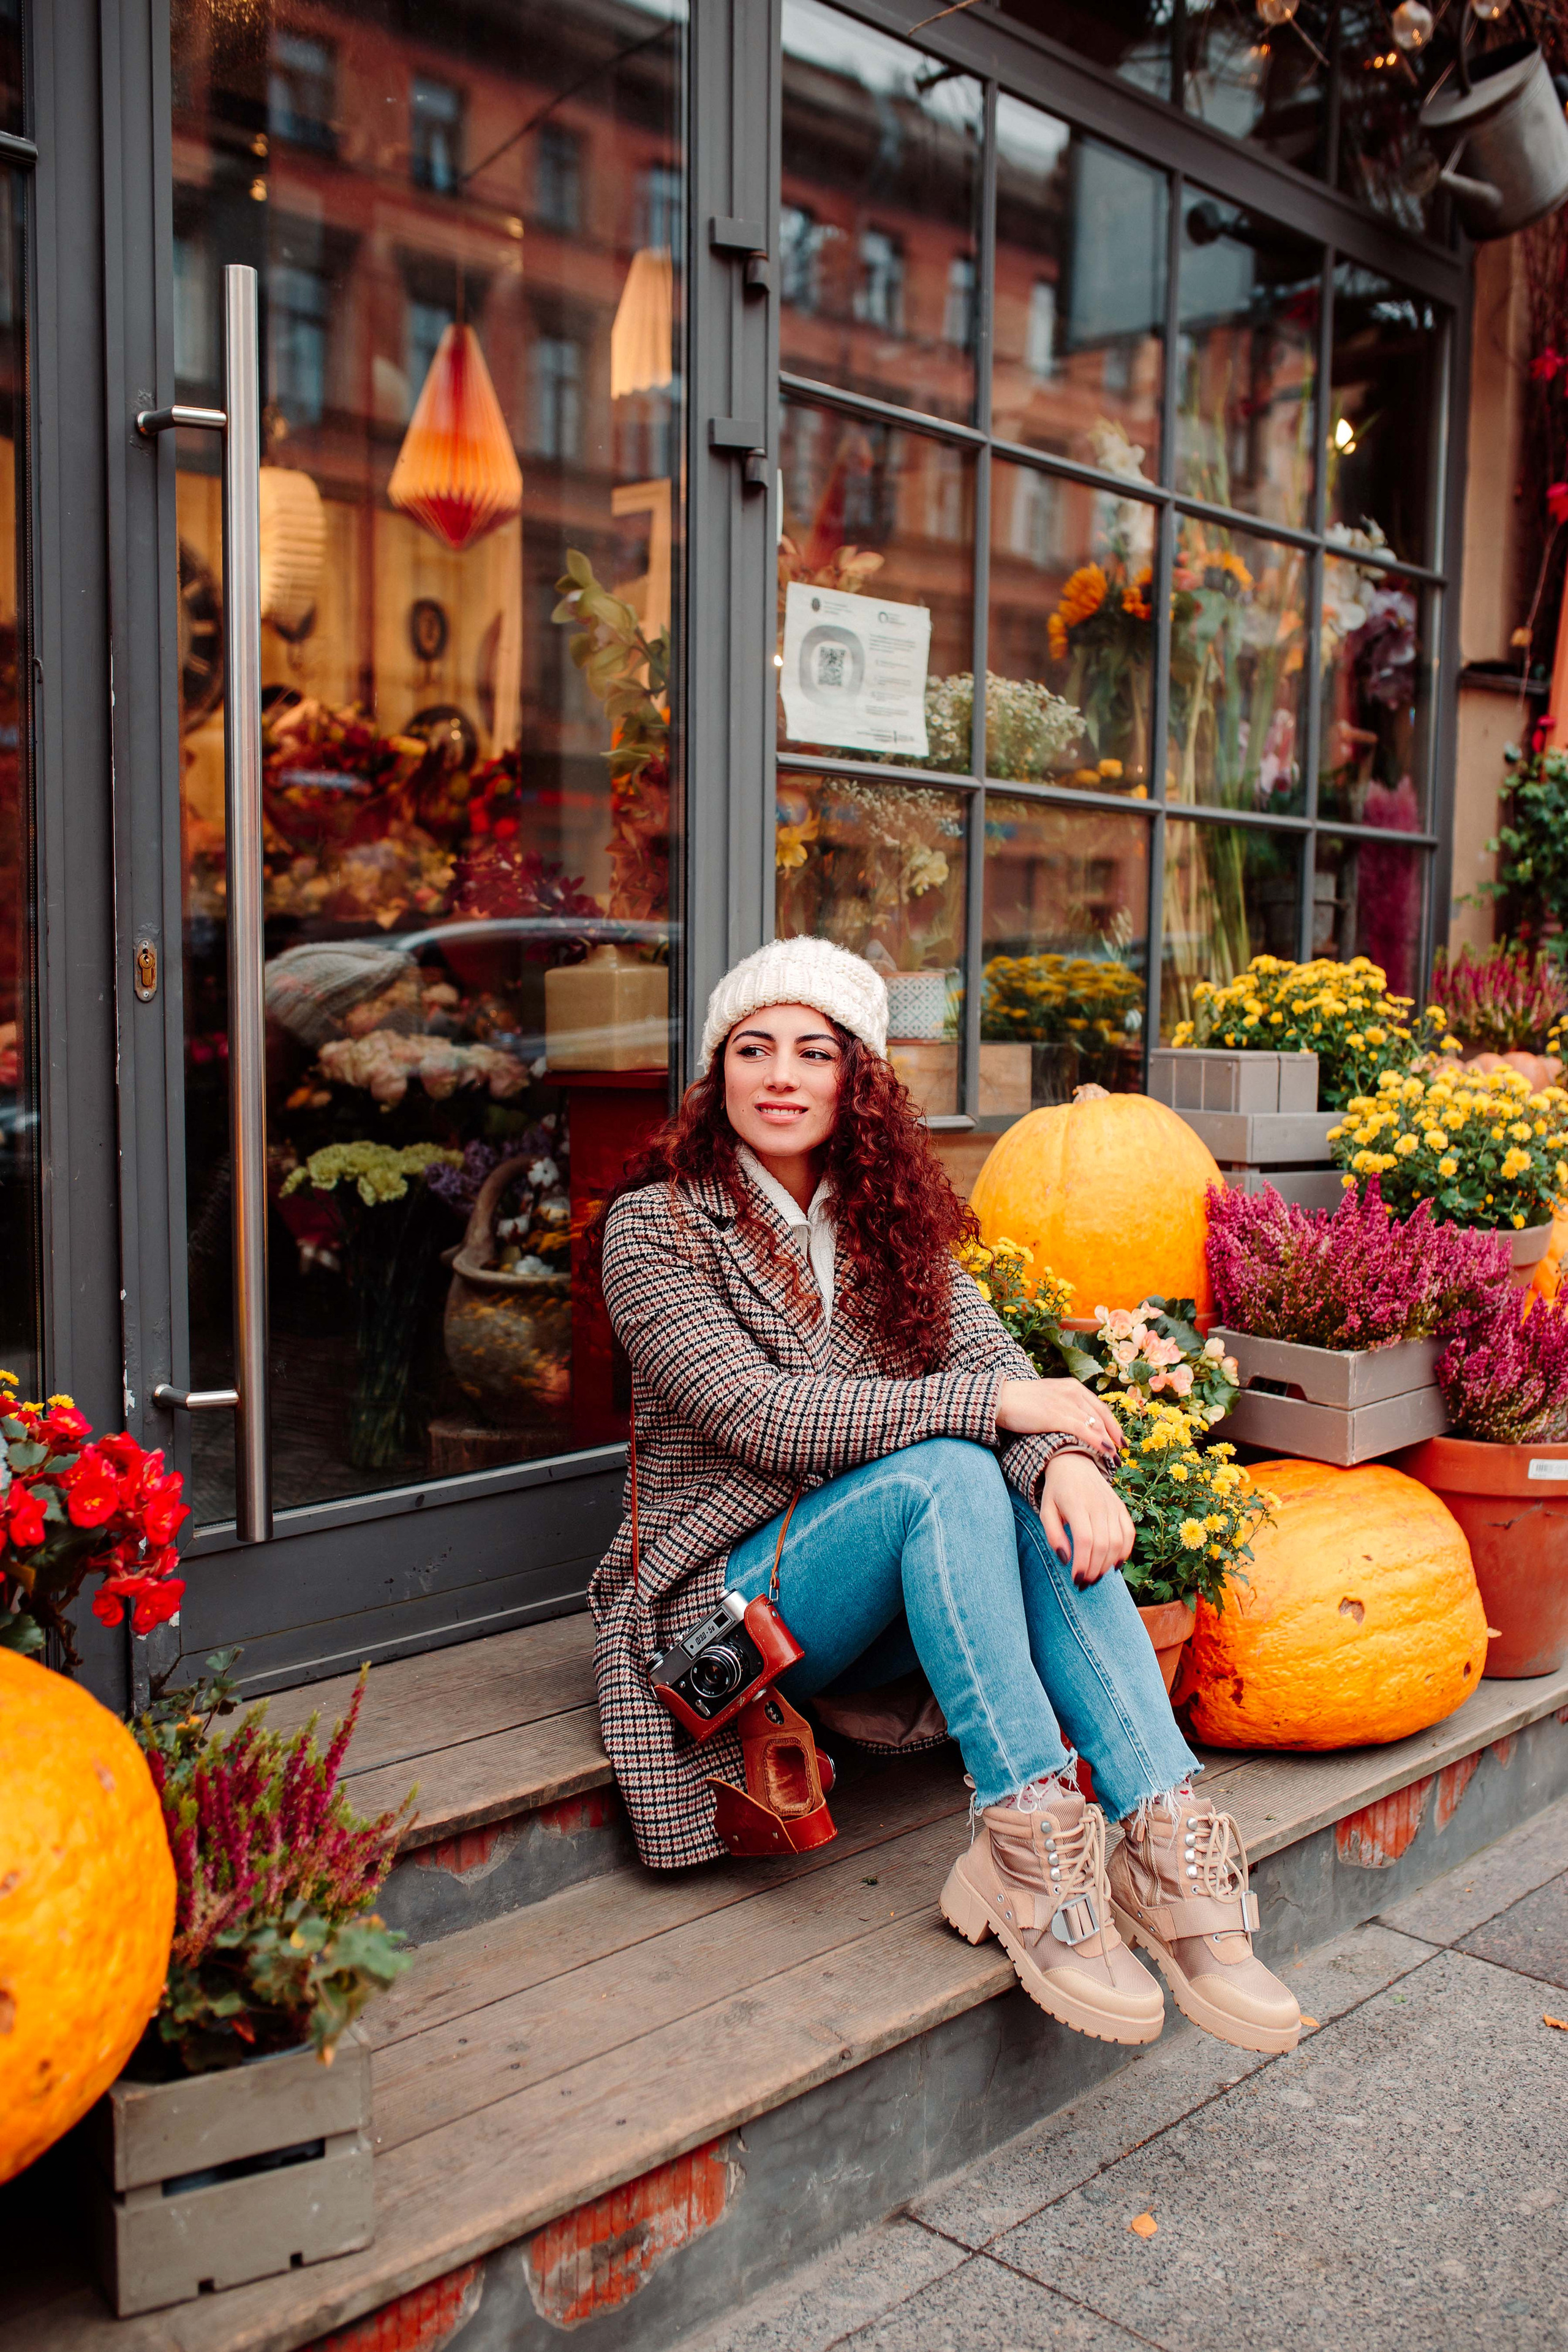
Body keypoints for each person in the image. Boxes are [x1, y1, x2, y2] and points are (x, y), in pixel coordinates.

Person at [591, 937, 1299, 2055]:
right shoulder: (656, 1227)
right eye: (753, 1048)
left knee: (992, 1471)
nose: (780, 1075)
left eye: (813, 1052)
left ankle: (1165, 1843)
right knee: (953, 1463)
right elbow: (759, 1415)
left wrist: (1062, 1459)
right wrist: (1010, 1415)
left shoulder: (894, 1226)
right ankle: (1026, 1839)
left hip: (878, 1606)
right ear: (717, 1074)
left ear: (856, 1079)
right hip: (725, 1606)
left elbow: (997, 1372)